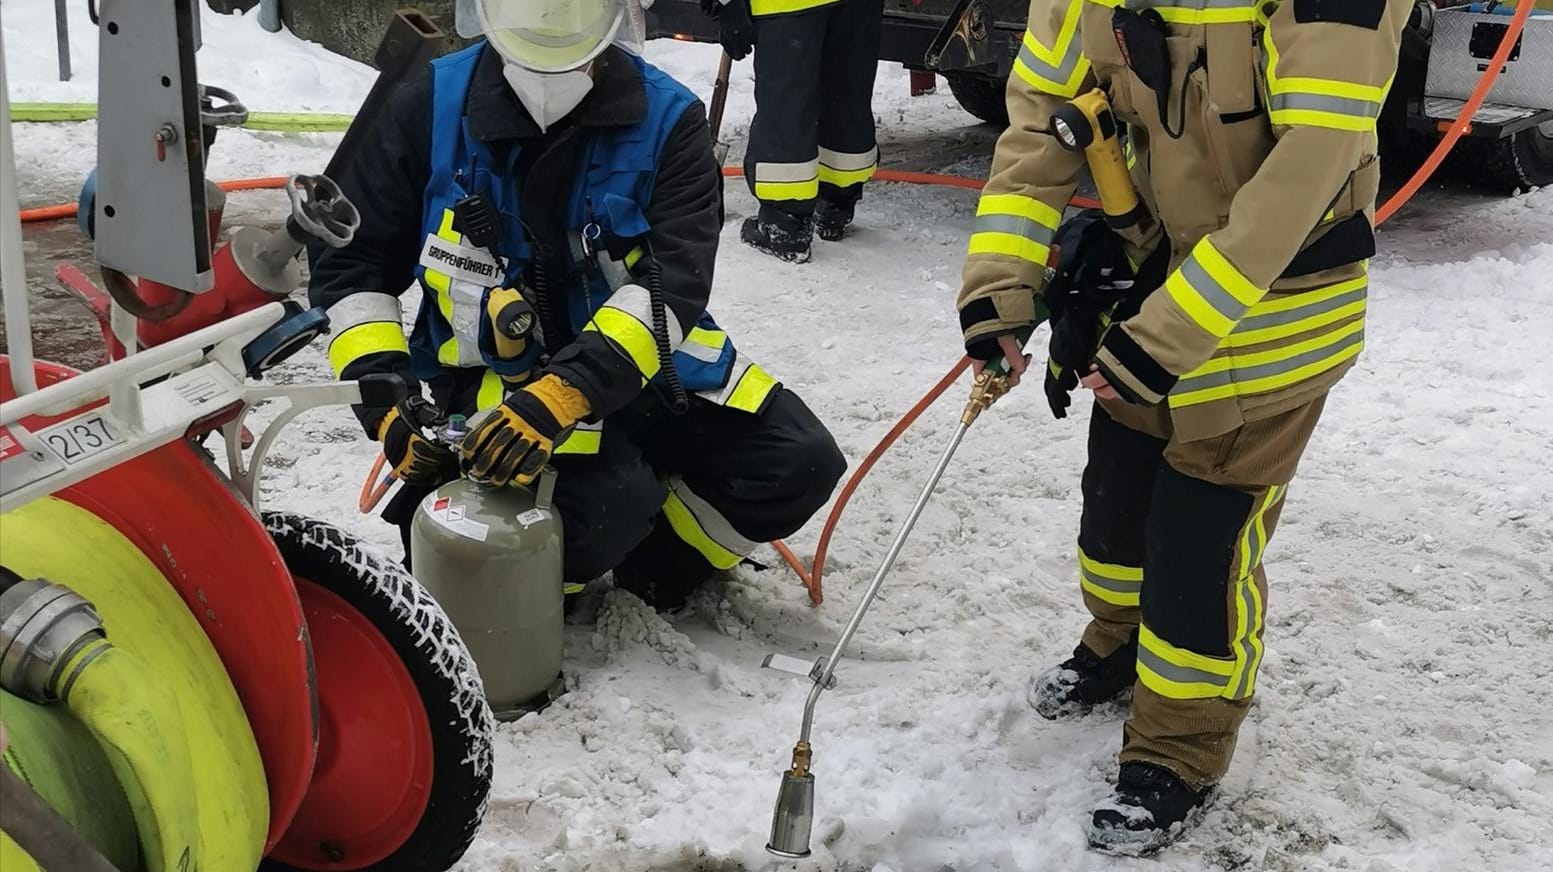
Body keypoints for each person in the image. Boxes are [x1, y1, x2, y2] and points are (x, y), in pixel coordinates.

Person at [954, 0, 1411, 855]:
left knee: (1200, 544)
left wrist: (1165, 338)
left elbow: (1296, 185)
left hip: (1275, 316)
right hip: (1152, 298)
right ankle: (1121, 646)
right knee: (1116, 505)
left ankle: (1180, 748)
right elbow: (1034, 133)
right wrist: (998, 288)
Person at [310, 0, 846, 611]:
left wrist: (569, 392)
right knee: (597, 516)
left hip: (643, 369)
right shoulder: (426, 105)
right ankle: (529, 554)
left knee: (798, 463)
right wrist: (384, 398)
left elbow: (673, 285)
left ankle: (659, 567)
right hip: (497, 391)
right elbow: (353, 267)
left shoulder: (669, 119)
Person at [701, 0, 881, 262]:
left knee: (787, 107)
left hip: (787, 7)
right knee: (845, 93)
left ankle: (785, 226)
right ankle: (837, 203)